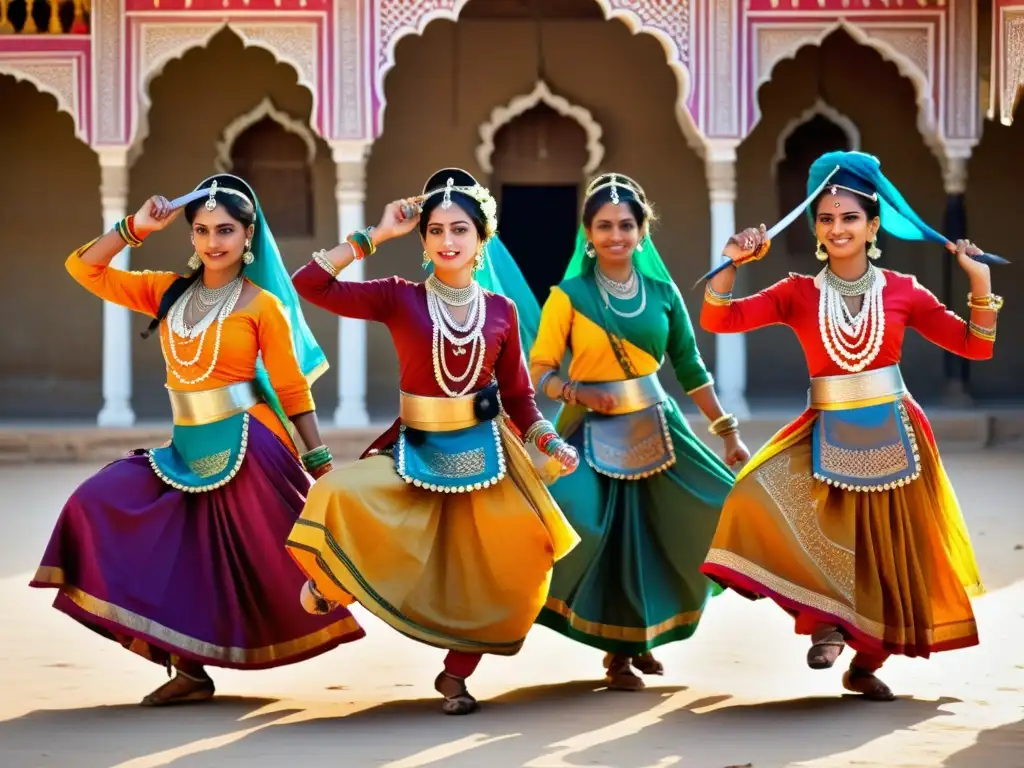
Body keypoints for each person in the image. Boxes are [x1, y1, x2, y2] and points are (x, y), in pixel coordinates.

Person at [30, 174, 365, 706]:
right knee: (101, 503)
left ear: (248, 235)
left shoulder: (262, 305)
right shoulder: (166, 291)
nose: (213, 241)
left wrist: (319, 460)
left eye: (226, 230)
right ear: (190, 237)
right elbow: (84, 268)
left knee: (274, 562)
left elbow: (291, 389)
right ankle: (189, 671)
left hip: (250, 446)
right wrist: (135, 227)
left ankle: (192, 672)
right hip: (185, 445)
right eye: (202, 230)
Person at [699, 151, 1000, 701]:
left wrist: (979, 283)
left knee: (888, 561)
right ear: (815, 226)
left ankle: (863, 664)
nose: (838, 228)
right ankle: (826, 624)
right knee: (752, 494)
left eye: (850, 218)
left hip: (896, 435)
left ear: (873, 225)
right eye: (827, 218)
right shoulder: (796, 292)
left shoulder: (904, 290)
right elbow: (721, 318)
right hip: (823, 429)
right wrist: (731, 261)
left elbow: (975, 347)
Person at [284, 168, 581, 716]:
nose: (448, 240)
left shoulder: (501, 311)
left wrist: (546, 439)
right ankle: (331, 583)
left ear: (481, 239)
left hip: (490, 452)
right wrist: (375, 235)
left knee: (517, 563)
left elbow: (517, 395)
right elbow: (309, 284)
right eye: (436, 230)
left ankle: (456, 675)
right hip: (415, 448)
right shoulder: (398, 298)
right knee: (336, 494)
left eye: (460, 229)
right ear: (422, 241)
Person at [527, 173, 749, 691]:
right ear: (588, 234)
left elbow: (690, 368)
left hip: (659, 426)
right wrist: (579, 394)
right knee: (589, 526)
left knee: (688, 519)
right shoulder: (568, 296)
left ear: (643, 232)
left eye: (626, 225)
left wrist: (727, 433)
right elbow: (540, 370)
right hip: (588, 430)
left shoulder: (663, 294)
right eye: (603, 226)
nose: (615, 235)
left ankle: (631, 648)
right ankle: (612, 641)